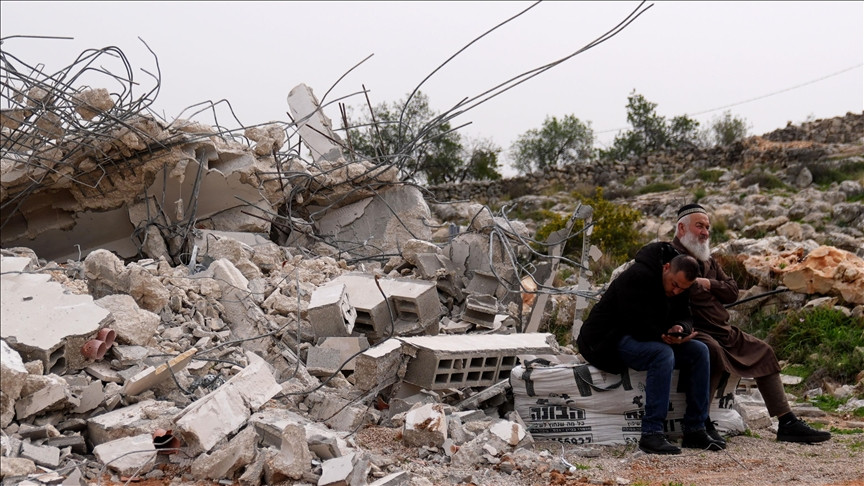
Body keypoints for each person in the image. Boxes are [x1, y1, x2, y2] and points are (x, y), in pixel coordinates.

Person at [672, 203, 831, 444]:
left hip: (722, 329)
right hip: (697, 330)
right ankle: (699, 423)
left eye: (707, 227)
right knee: (711, 352)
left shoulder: (708, 260)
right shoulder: (672, 258)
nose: (705, 232)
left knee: (763, 351)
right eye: (699, 226)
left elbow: (732, 291)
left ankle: (787, 421)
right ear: (682, 228)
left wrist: (709, 284)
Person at [576, 242, 724, 454]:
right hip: (609, 339)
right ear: (666, 268)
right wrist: (666, 336)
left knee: (699, 351)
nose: (676, 291)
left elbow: (686, 315)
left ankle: (695, 429)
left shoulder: (680, 284)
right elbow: (633, 322)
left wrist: (680, 329)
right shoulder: (638, 275)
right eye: (674, 284)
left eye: (682, 289)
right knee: (662, 354)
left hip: (651, 334)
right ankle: (652, 433)